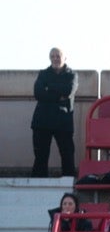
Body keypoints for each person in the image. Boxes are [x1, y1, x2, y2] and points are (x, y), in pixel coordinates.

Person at [31, 48, 78, 179]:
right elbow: (38, 93)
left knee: (67, 155)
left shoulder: (72, 75)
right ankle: (38, 186)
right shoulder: (43, 74)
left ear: (65, 58)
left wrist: (49, 88)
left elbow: (68, 91)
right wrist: (58, 96)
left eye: (58, 56)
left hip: (63, 122)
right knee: (41, 156)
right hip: (42, 121)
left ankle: (69, 187)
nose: (55, 58)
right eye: (53, 56)